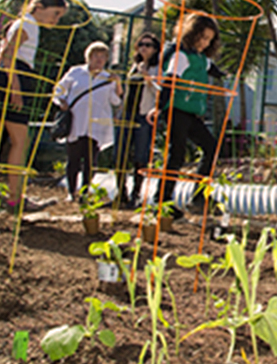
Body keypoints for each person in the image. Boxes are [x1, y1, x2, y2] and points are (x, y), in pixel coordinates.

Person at [0, 0, 67, 213]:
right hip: (13, 79)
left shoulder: (23, 23)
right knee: (20, 141)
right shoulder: (29, 24)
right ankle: (15, 199)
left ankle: (13, 197)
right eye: (55, 13)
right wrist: (15, 88)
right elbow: (6, 53)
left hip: (2, 78)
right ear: (39, 7)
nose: (56, 20)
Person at [147, 13, 223, 218]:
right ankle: (161, 201)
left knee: (211, 148)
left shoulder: (202, 59)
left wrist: (226, 74)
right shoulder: (180, 56)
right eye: (202, 37)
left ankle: (199, 197)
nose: (204, 43)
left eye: (209, 39)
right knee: (176, 154)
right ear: (190, 34)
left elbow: (212, 69)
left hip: (192, 114)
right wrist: (159, 108)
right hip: (176, 110)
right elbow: (169, 82)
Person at [54, 42, 123, 202]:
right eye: (96, 56)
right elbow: (59, 89)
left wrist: (117, 83)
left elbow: (116, 101)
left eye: (102, 57)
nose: (99, 60)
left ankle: (85, 192)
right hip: (77, 121)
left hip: (97, 124)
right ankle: (71, 191)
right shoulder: (76, 72)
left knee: (91, 160)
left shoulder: (108, 78)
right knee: (73, 159)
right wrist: (61, 102)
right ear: (89, 57)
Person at [114, 32, 161, 209]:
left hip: (143, 115)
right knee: (119, 154)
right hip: (127, 114)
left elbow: (160, 91)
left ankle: (136, 194)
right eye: (141, 44)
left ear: (155, 49)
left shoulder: (157, 68)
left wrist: (147, 76)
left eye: (148, 45)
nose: (143, 47)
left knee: (140, 156)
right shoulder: (134, 66)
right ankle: (121, 193)